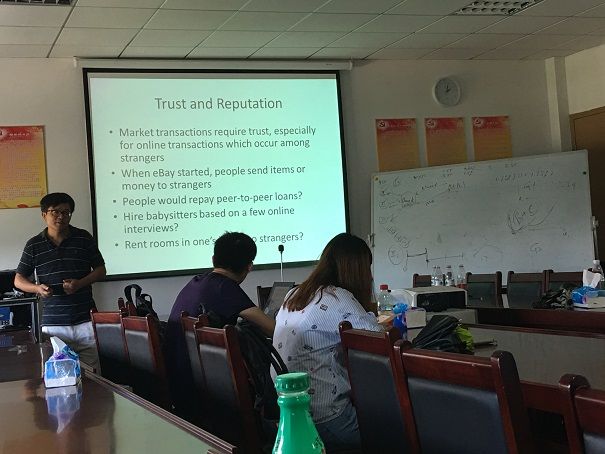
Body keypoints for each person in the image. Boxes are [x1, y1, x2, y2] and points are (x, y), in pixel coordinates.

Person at [272, 233, 382, 453]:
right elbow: (380, 343)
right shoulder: (337, 297)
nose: (370, 276)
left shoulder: (294, 293)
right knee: (402, 430)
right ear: (357, 269)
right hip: (329, 421)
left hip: (294, 417)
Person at [164, 231, 275, 420]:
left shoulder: (196, 282)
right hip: (208, 396)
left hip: (181, 386)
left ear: (213, 259)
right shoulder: (224, 287)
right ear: (249, 266)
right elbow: (272, 329)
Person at [14, 192, 106, 370]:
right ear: (44, 215)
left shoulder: (84, 238)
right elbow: (18, 280)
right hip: (54, 324)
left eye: (66, 212)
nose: (61, 216)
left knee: (93, 375)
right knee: (60, 375)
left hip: (86, 321)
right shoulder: (34, 245)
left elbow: (101, 271)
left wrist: (80, 284)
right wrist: (37, 288)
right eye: (55, 212)